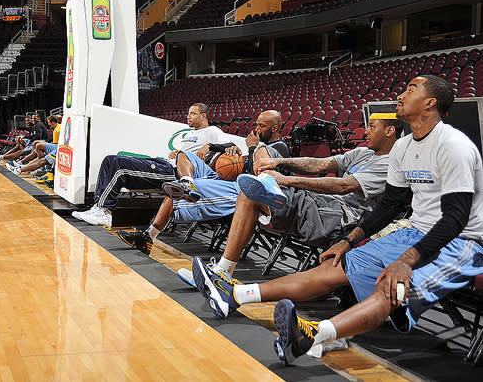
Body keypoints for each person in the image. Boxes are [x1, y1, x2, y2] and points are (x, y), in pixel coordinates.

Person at [191, 75, 483, 367]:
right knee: (332, 267)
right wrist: (349, 240)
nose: (401, 95)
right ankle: (234, 294)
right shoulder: (405, 147)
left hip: (461, 242)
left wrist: (406, 260)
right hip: (415, 232)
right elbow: (391, 205)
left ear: (430, 103)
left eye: (411, 89)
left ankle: (315, 335)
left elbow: (456, 219)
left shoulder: (454, 146)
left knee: (392, 287)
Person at [184, 113, 403, 285]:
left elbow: (344, 186)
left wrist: (287, 180)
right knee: (268, 160)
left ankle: (222, 272)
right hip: (322, 202)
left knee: (250, 194)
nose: (365, 131)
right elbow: (322, 164)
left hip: (341, 216)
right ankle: (271, 188)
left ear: (390, 131)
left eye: (372, 127)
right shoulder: (363, 153)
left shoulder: (391, 163)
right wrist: (279, 165)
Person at [116, 110, 289, 255]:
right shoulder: (260, 145)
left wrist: (251, 148)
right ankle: (186, 182)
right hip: (229, 179)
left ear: (274, 128)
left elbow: (257, 176)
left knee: (190, 188)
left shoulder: (280, 149)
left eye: (262, 126)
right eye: (256, 124)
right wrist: (219, 147)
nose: (256, 129)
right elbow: (241, 162)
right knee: (184, 156)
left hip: (244, 190)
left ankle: (148, 237)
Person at [71, 103, 232, 228]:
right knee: (109, 160)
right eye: (188, 113)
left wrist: (210, 146)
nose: (188, 116)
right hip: (165, 163)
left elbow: (233, 146)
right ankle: (98, 207)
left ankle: (105, 212)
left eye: (193, 113)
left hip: (174, 173)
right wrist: (176, 153)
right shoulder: (189, 133)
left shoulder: (213, 131)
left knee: (119, 166)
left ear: (204, 116)